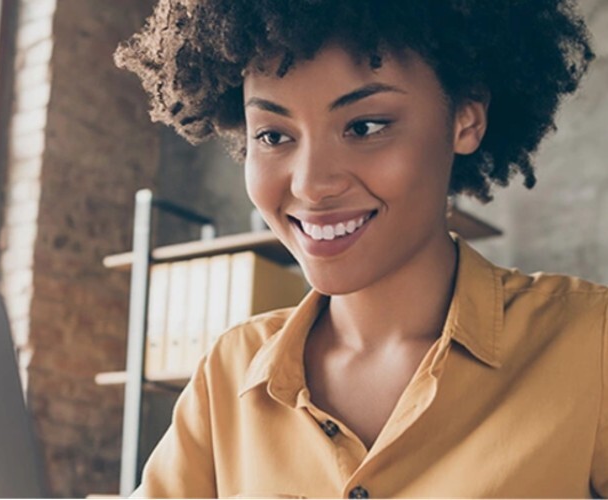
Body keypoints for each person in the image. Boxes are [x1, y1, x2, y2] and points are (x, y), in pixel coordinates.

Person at [115, 0, 605, 498]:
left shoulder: (590, 344)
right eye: (274, 135)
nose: (311, 184)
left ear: (465, 121)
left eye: (365, 127)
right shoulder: (229, 371)